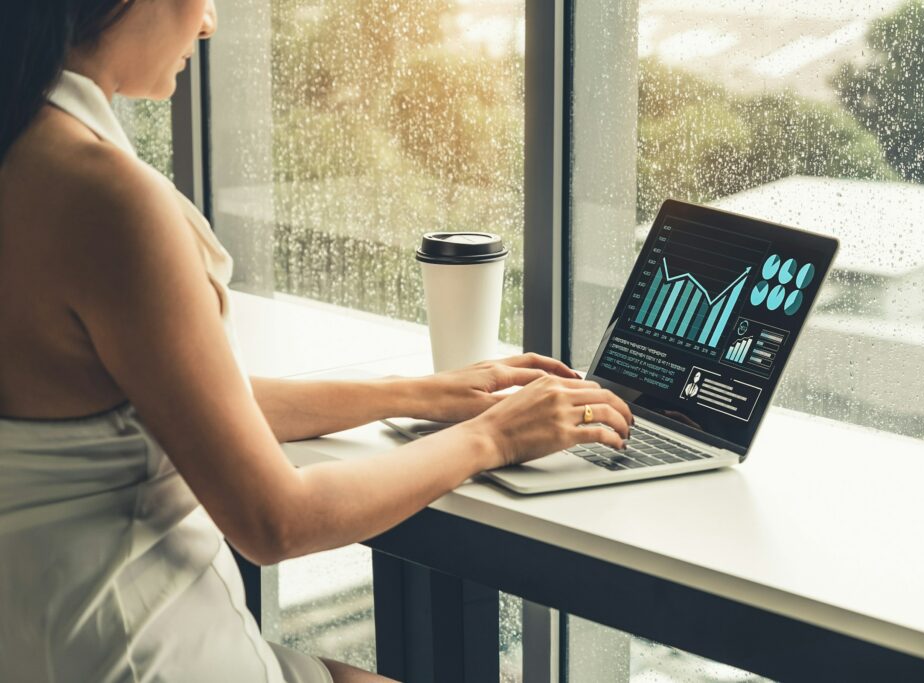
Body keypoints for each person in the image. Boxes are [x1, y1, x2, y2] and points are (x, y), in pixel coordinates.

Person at [0, 1, 633, 681]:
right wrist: (497, 437)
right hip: (137, 650)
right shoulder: (109, 201)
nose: (209, 22)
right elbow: (276, 520)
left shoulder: (23, 151)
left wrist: (414, 393)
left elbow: (173, 401)